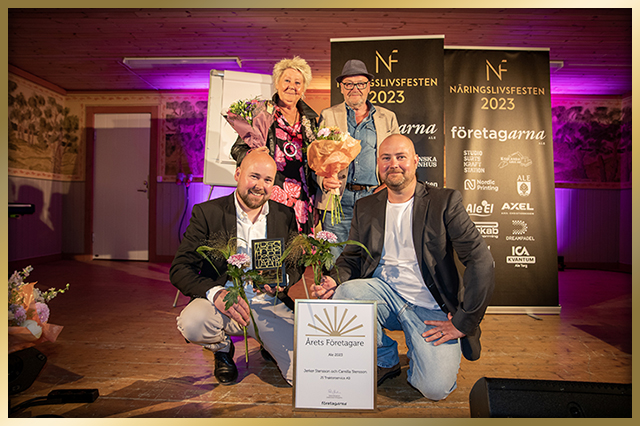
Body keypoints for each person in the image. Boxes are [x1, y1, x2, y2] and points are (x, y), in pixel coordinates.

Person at [312, 134, 495, 400]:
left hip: (431, 309)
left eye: (401, 157)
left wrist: (463, 322)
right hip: (385, 296)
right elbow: (352, 256)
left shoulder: (444, 202)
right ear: (378, 164)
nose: (393, 164)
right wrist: (334, 279)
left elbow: (481, 260)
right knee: (345, 293)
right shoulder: (366, 207)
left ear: (416, 161)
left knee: (435, 389)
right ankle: (385, 358)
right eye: (386, 158)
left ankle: (419, 347)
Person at [170, 150, 303, 386]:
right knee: (192, 322)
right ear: (238, 174)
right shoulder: (208, 213)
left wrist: (283, 280)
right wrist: (216, 293)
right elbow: (180, 269)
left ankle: (268, 343)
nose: (260, 186)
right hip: (223, 305)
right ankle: (222, 348)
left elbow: (295, 263)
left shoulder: (284, 215)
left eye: (267, 179)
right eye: (254, 176)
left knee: (302, 374)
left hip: (268, 305)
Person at [316, 59, 399, 254]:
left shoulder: (387, 117)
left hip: (374, 197)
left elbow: (396, 156)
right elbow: (317, 157)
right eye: (348, 84)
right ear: (341, 87)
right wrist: (323, 180)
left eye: (360, 83)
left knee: (373, 256)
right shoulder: (328, 115)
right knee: (336, 259)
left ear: (369, 86)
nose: (355, 89)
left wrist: (387, 186)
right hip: (338, 200)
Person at [231, 56, 318, 233]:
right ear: (277, 83)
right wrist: (252, 154)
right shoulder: (262, 112)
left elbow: (315, 162)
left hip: (302, 197)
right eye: (287, 80)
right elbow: (237, 149)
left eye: (298, 82)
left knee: (299, 245)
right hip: (269, 191)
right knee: (272, 240)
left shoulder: (309, 119)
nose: (292, 86)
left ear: (303, 88)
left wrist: (315, 199)